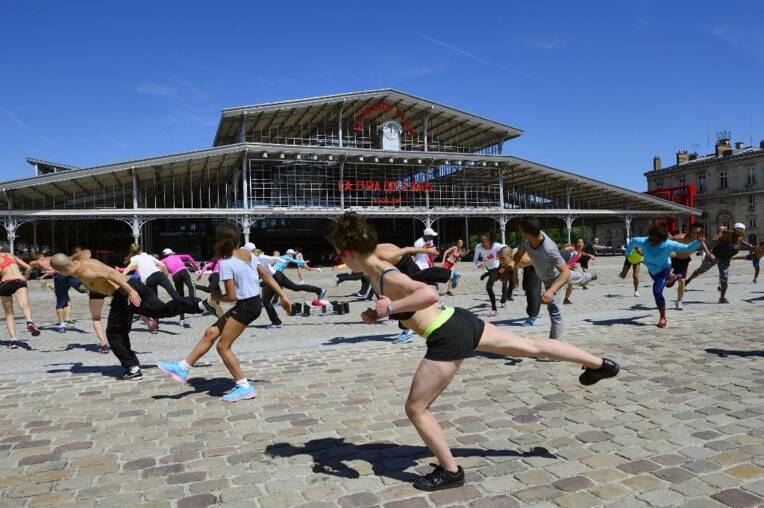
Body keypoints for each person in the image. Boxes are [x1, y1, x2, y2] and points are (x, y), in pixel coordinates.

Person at [327, 212, 619, 491]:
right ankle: (600, 364)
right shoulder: (374, 261)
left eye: (341, 255)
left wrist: (389, 308)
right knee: (530, 346)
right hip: (459, 319)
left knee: (415, 409)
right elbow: (395, 268)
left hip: (446, 335)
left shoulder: (385, 274)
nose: (340, 260)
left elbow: (428, 293)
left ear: (350, 253)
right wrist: (379, 313)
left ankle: (451, 471)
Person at [158, 223, 291, 401]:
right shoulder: (249, 255)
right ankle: (183, 367)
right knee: (211, 332)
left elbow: (232, 296)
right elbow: (267, 276)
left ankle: (244, 386)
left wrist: (216, 297)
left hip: (246, 307)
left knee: (223, 347)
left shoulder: (227, 263)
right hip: (251, 304)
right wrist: (283, 296)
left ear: (220, 241)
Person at [50, 252, 206, 379]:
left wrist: (130, 292)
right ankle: (199, 305)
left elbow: (111, 273)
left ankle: (133, 368)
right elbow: (86, 252)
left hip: (124, 293)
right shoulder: (81, 262)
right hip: (132, 286)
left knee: (114, 334)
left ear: (61, 271)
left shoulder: (85, 270)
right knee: (161, 310)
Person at [513, 218, 594, 339]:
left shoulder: (549, 248)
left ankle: (555, 347)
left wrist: (551, 291)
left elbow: (565, 273)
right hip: (547, 275)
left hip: (555, 279)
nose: (520, 233)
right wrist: (512, 268)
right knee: (576, 277)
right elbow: (518, 255)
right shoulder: (528, 240)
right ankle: (589, 277)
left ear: (528, 232)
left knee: (555, 313)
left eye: (521, 231)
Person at [624, 224, 701, 327]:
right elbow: (633, 241)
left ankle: (662, 317)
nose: (651, 241)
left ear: (661, 240)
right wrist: (627, 252)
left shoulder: (668, 244)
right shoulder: (644, 241)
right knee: (667, 283)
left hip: (664, 269)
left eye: (655, 240)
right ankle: (675, 276)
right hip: (652, 270)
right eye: (650, 238)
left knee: (657, 291)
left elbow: (687, 247)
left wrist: (699, 240)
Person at [685, 223, 751, 303]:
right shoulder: (728, 234)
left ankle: (722, 298)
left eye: (743, 230)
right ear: (735, 229)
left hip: (725, 260)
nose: (743, 232)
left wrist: (750, 246)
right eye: (741, 230)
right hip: (715, 256)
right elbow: (722, 234)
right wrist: (723, 230)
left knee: (724, 279)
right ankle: (688, 280)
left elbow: (741, 241)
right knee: (701, 270)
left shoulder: (740, 236)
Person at [0, 251, 40, 349]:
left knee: (9, 314)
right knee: (24, 305)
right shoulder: (10, 255)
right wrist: (25, 277)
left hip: (5, 284)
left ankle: (13, 340)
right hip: (19, 280)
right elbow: (29, 267)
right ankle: (29, 321)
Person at [667, 224, 710, 309]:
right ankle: (673, 278)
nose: (695, 234)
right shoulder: (680, 238)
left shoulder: (700, 239)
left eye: (698, 232)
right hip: (673, 259)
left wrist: (708, 253)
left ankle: (679, 301)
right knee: (668, 284)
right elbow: (667, 242)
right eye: (694, 232)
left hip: (684, 261)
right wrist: (670, 251)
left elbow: (702, 242)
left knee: (682, 280)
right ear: (690, 231)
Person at [161, 248, 200, 328]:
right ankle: (192, 302)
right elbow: (188, 256)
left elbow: (158, 267)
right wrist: (195, 265)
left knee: (180, 297)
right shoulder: (177, 256)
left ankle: (182, 319)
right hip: (183, 271)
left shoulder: (163, 260)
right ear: (172, 253)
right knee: (191, 286)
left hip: (175, 275)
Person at [474, 233, 506, 317]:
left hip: (497, 267)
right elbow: (475, 260)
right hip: (489, 268)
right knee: (493, 278)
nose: (482, 243)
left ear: (490, 241)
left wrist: (504, 259)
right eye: (482, 241)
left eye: (484, 241)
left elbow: (507, 248)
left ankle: (494, 309)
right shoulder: (478, 247)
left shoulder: (496, 246)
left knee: (489, 287)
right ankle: (487, 274)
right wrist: (478, 264)